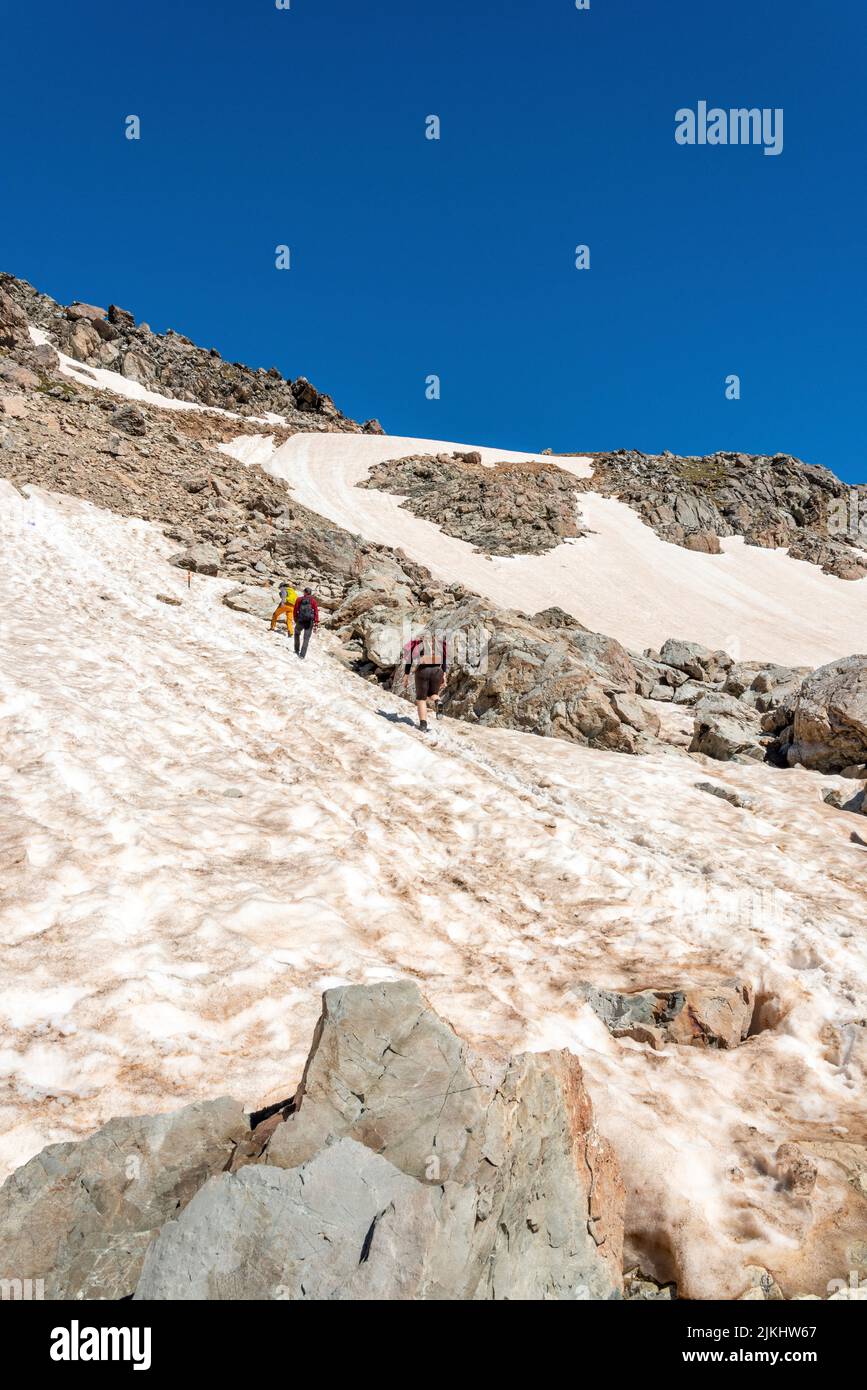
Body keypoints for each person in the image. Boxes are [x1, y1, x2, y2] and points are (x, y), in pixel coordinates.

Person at [404, 629, 448, 731]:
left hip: (423, 671)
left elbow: (409, 660)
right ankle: (438, 701)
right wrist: (444, 676)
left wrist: (406, 676)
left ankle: (423, 725)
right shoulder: (440, 645)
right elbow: (444, 662)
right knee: (433, 693)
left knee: (421, 699)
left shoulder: (419, 644)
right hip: (438, 671)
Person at [293, 587, 320, 659]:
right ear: (310, 593)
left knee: (296, 633)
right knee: (306, 638)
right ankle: (302, 655)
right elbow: (316, 612)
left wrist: (295, 618)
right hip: (309, 622)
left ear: (305, 592)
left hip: (300, 620)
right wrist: (316, 622)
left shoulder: (299, 599)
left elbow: (295, 609)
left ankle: (296, 650)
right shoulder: (313, 601)